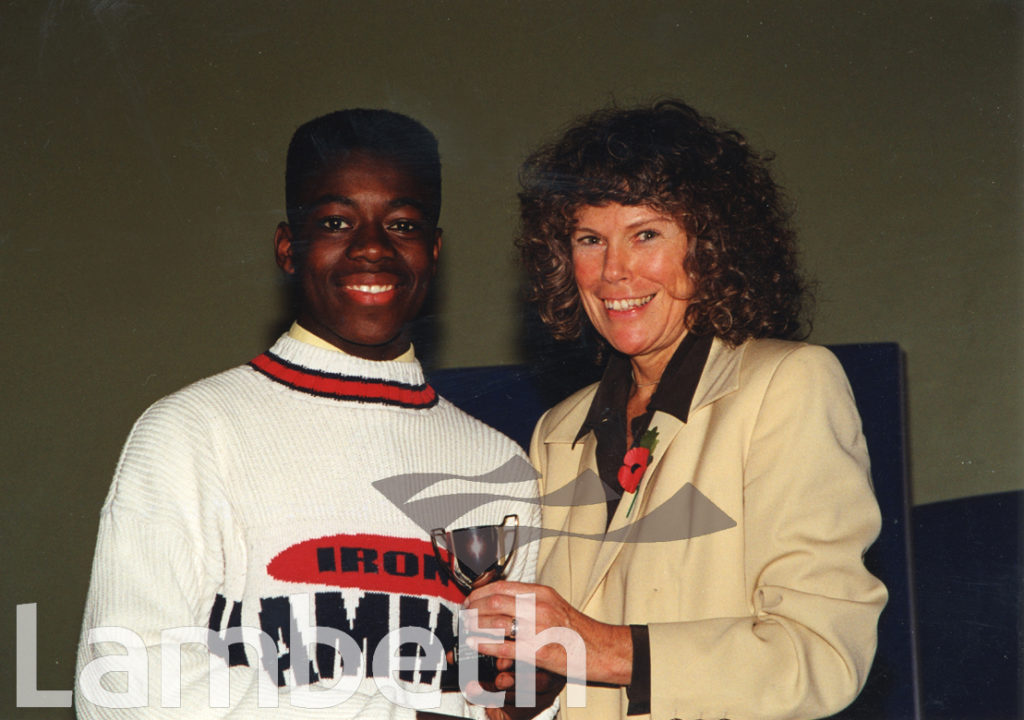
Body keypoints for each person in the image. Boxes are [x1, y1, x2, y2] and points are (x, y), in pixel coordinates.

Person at [75, 109, 548, 719]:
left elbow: (509, 695)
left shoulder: (497, 464)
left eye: (401, 224)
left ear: (433, 251)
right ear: (288, 248)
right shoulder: (193, 431)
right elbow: (121, 687)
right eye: (335, 221)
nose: (372, 247)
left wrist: (529, 701)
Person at [465, 100, 888, 720]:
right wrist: (520, 696)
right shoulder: (557, 431)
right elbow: (565, 667)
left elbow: (822, 654)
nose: (614, 271)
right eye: (590, 239)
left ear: (711, 246)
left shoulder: (788, 384)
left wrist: (602, 649)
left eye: (646, 234)